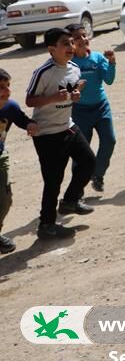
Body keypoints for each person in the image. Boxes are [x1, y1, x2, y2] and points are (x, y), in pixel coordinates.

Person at [26, 28, 96, 238]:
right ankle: (46, 225)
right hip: (47, 133)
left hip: (68, 125)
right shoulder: (43, 72)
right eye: (65, 43)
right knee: (53, 180)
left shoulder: (74, 68)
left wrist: (74, 95)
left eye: (71, 43)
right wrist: (53, 98)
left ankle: (70, 202)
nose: (71, 47)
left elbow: (71, 91)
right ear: (51, 49)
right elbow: (30, 100)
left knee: (89, 162)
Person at [68, 23, 116, 192]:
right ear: (70, 43)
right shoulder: (68, 63)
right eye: (76, 38)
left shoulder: (97, 57)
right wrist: (74, 88)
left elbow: (109, 80)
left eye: (84, 35)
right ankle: (77, 190)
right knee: (81, 150)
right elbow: (63, 88)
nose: (82, 40)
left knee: (110, 140)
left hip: (101, 107)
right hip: (79, 112)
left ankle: (98, 175)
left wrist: (111, 63)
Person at [0, 68, 39, 252]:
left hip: (0, 159)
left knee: (4, 200)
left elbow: (21, 119)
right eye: (1, 87)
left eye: (8, 86)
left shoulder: (10, 107)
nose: (7, 91)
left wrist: (30, 124)